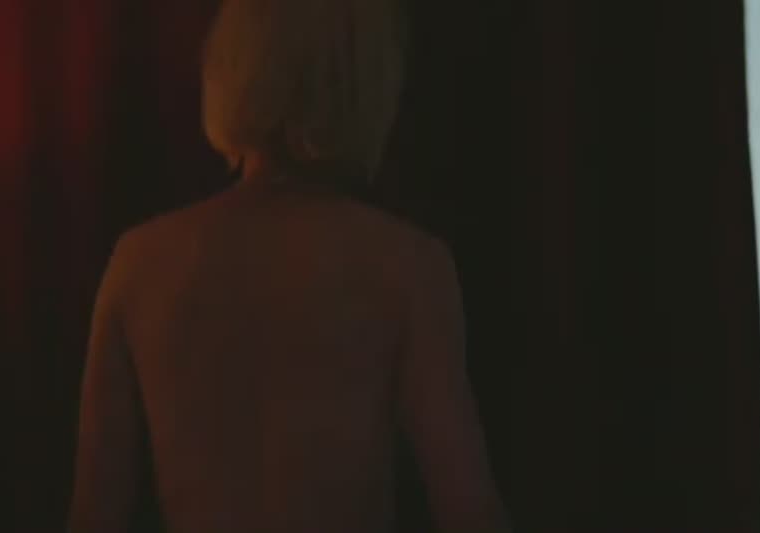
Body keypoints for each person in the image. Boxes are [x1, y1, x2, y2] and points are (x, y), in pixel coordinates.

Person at [66, 0, 508, 531]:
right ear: (366, 82)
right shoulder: (407, 267)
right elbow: (469, 511)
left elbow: (93, 517)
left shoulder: (139, 264)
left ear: (229, 71)